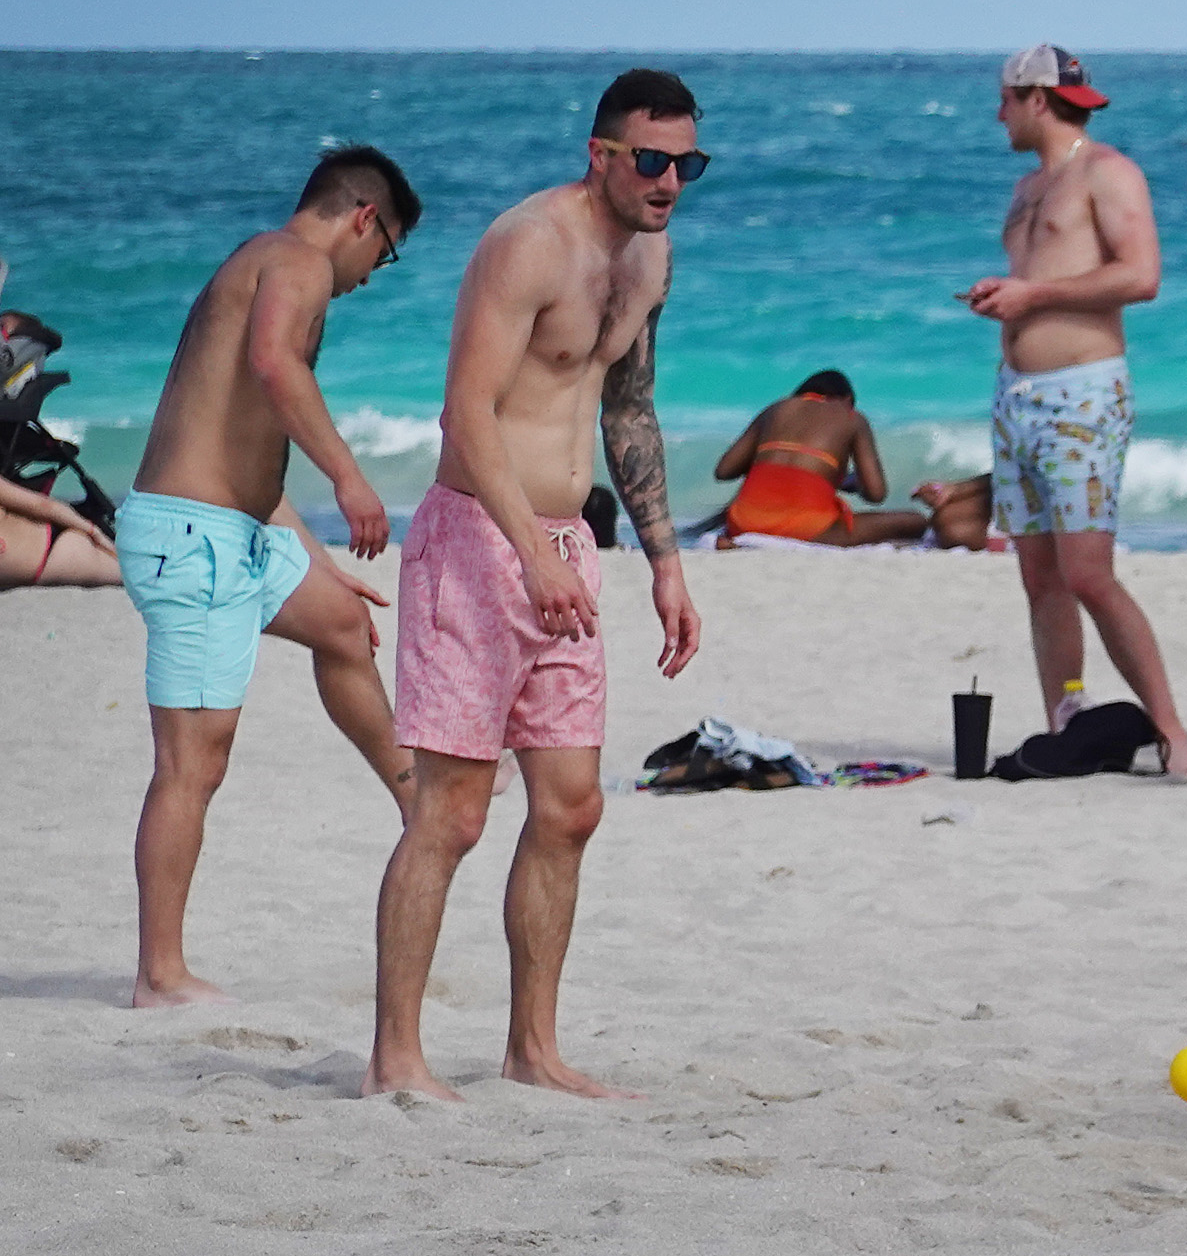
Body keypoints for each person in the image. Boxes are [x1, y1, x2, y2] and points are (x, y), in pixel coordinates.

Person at [367, 73, 706, 1099]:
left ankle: (532, 1051)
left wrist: (666, 562)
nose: (669, 182)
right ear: (599, 153)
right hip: (479, 539)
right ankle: (396, 1058)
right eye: (651, 160)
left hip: (564, 545)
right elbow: (465, 414)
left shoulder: (651, 257)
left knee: (570, 808)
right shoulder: (528, 243)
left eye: (688, 164)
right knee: (453, 812)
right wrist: (532, 550)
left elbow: (630, 409)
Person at [117, 146, 421, 1008]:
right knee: (193, 763)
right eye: (385, 253)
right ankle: (158, 973)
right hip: (192, 539)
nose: (372, 275)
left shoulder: (259, 259)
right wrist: (352, 481)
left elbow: (248, 450)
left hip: (235, 530)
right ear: (364, 217)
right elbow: (275, 366)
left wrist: (319, 558)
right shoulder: (296, 261)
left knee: (340, 623)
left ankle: (414, 797)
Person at [964, 43, 1187, 775]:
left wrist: (1032, 296)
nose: (999, 114)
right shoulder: (1028, 185)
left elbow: (1143, 274)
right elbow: (1043, 275)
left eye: (1006, 100)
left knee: (1089, 571)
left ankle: (1172, 732)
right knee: (1040, 577)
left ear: (1036, 97)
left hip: (1083, 394)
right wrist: (1007, 297)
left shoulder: (1108, 171)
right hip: (1017, 396)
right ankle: (1068, 713)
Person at [710, 371, 930, 546]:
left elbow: (724, 470)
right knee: (916, 521)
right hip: (806, 528)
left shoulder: (776, 409)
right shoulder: (852, 417)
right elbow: (876, 493)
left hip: (743, 521)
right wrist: (850, 482)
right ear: (846, 399)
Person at [1, 474, 119, 588]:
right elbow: (43, 505)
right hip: (56, 543)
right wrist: (94, 532)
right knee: (131, 570)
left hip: (52, 562)